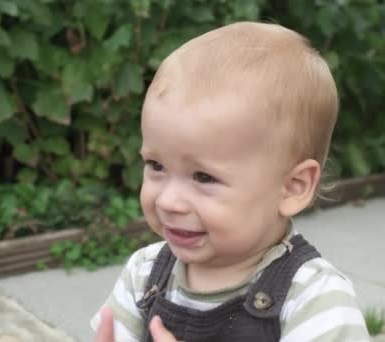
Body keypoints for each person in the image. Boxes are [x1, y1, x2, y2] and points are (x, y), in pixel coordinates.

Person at [91, 21, 370, 341]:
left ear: (293, 187)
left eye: (204, 177)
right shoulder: (144, 274)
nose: (167, 200)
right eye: (156, 165)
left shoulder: (314, 299)